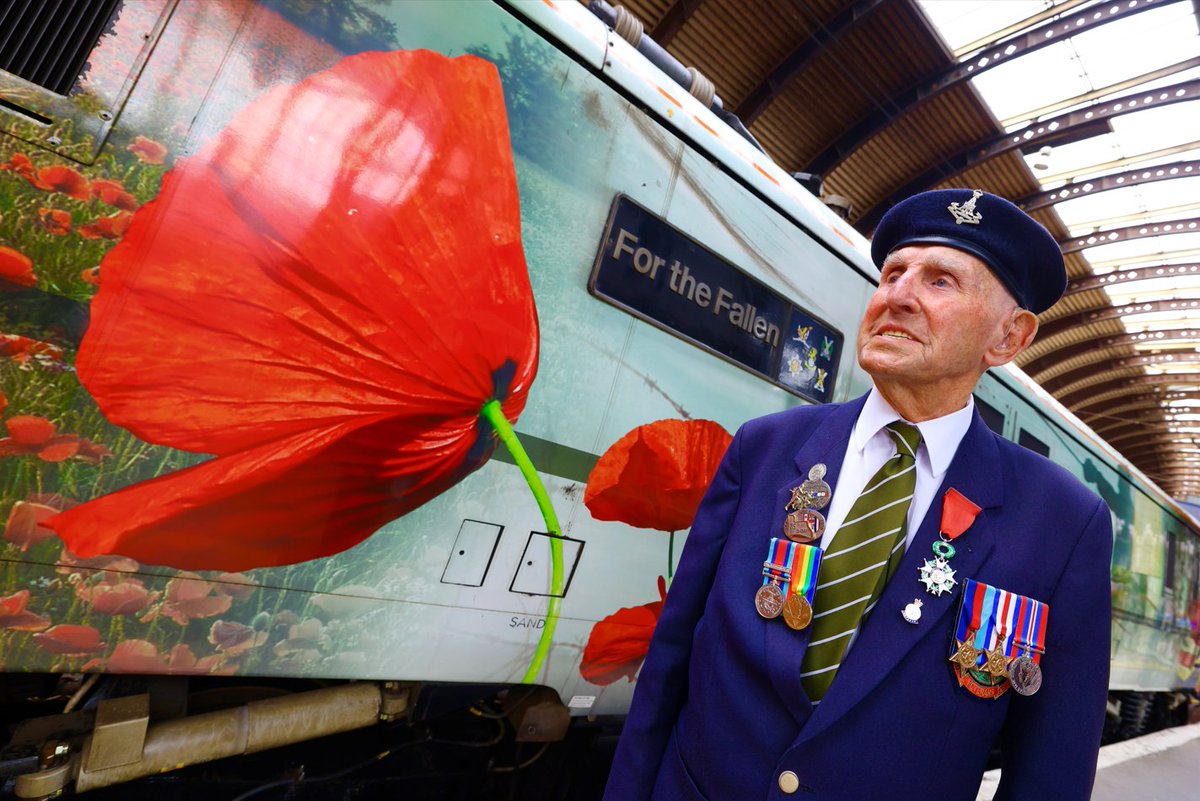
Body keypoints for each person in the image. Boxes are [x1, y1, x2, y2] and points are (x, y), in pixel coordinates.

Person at [603, 189, 1113, 801]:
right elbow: (670, 664)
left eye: (941, 280)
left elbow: (1051, 769)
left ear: (1008, 337)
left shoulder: (1061, 520)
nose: (897, 295)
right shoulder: (763, 449)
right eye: (893, 272)